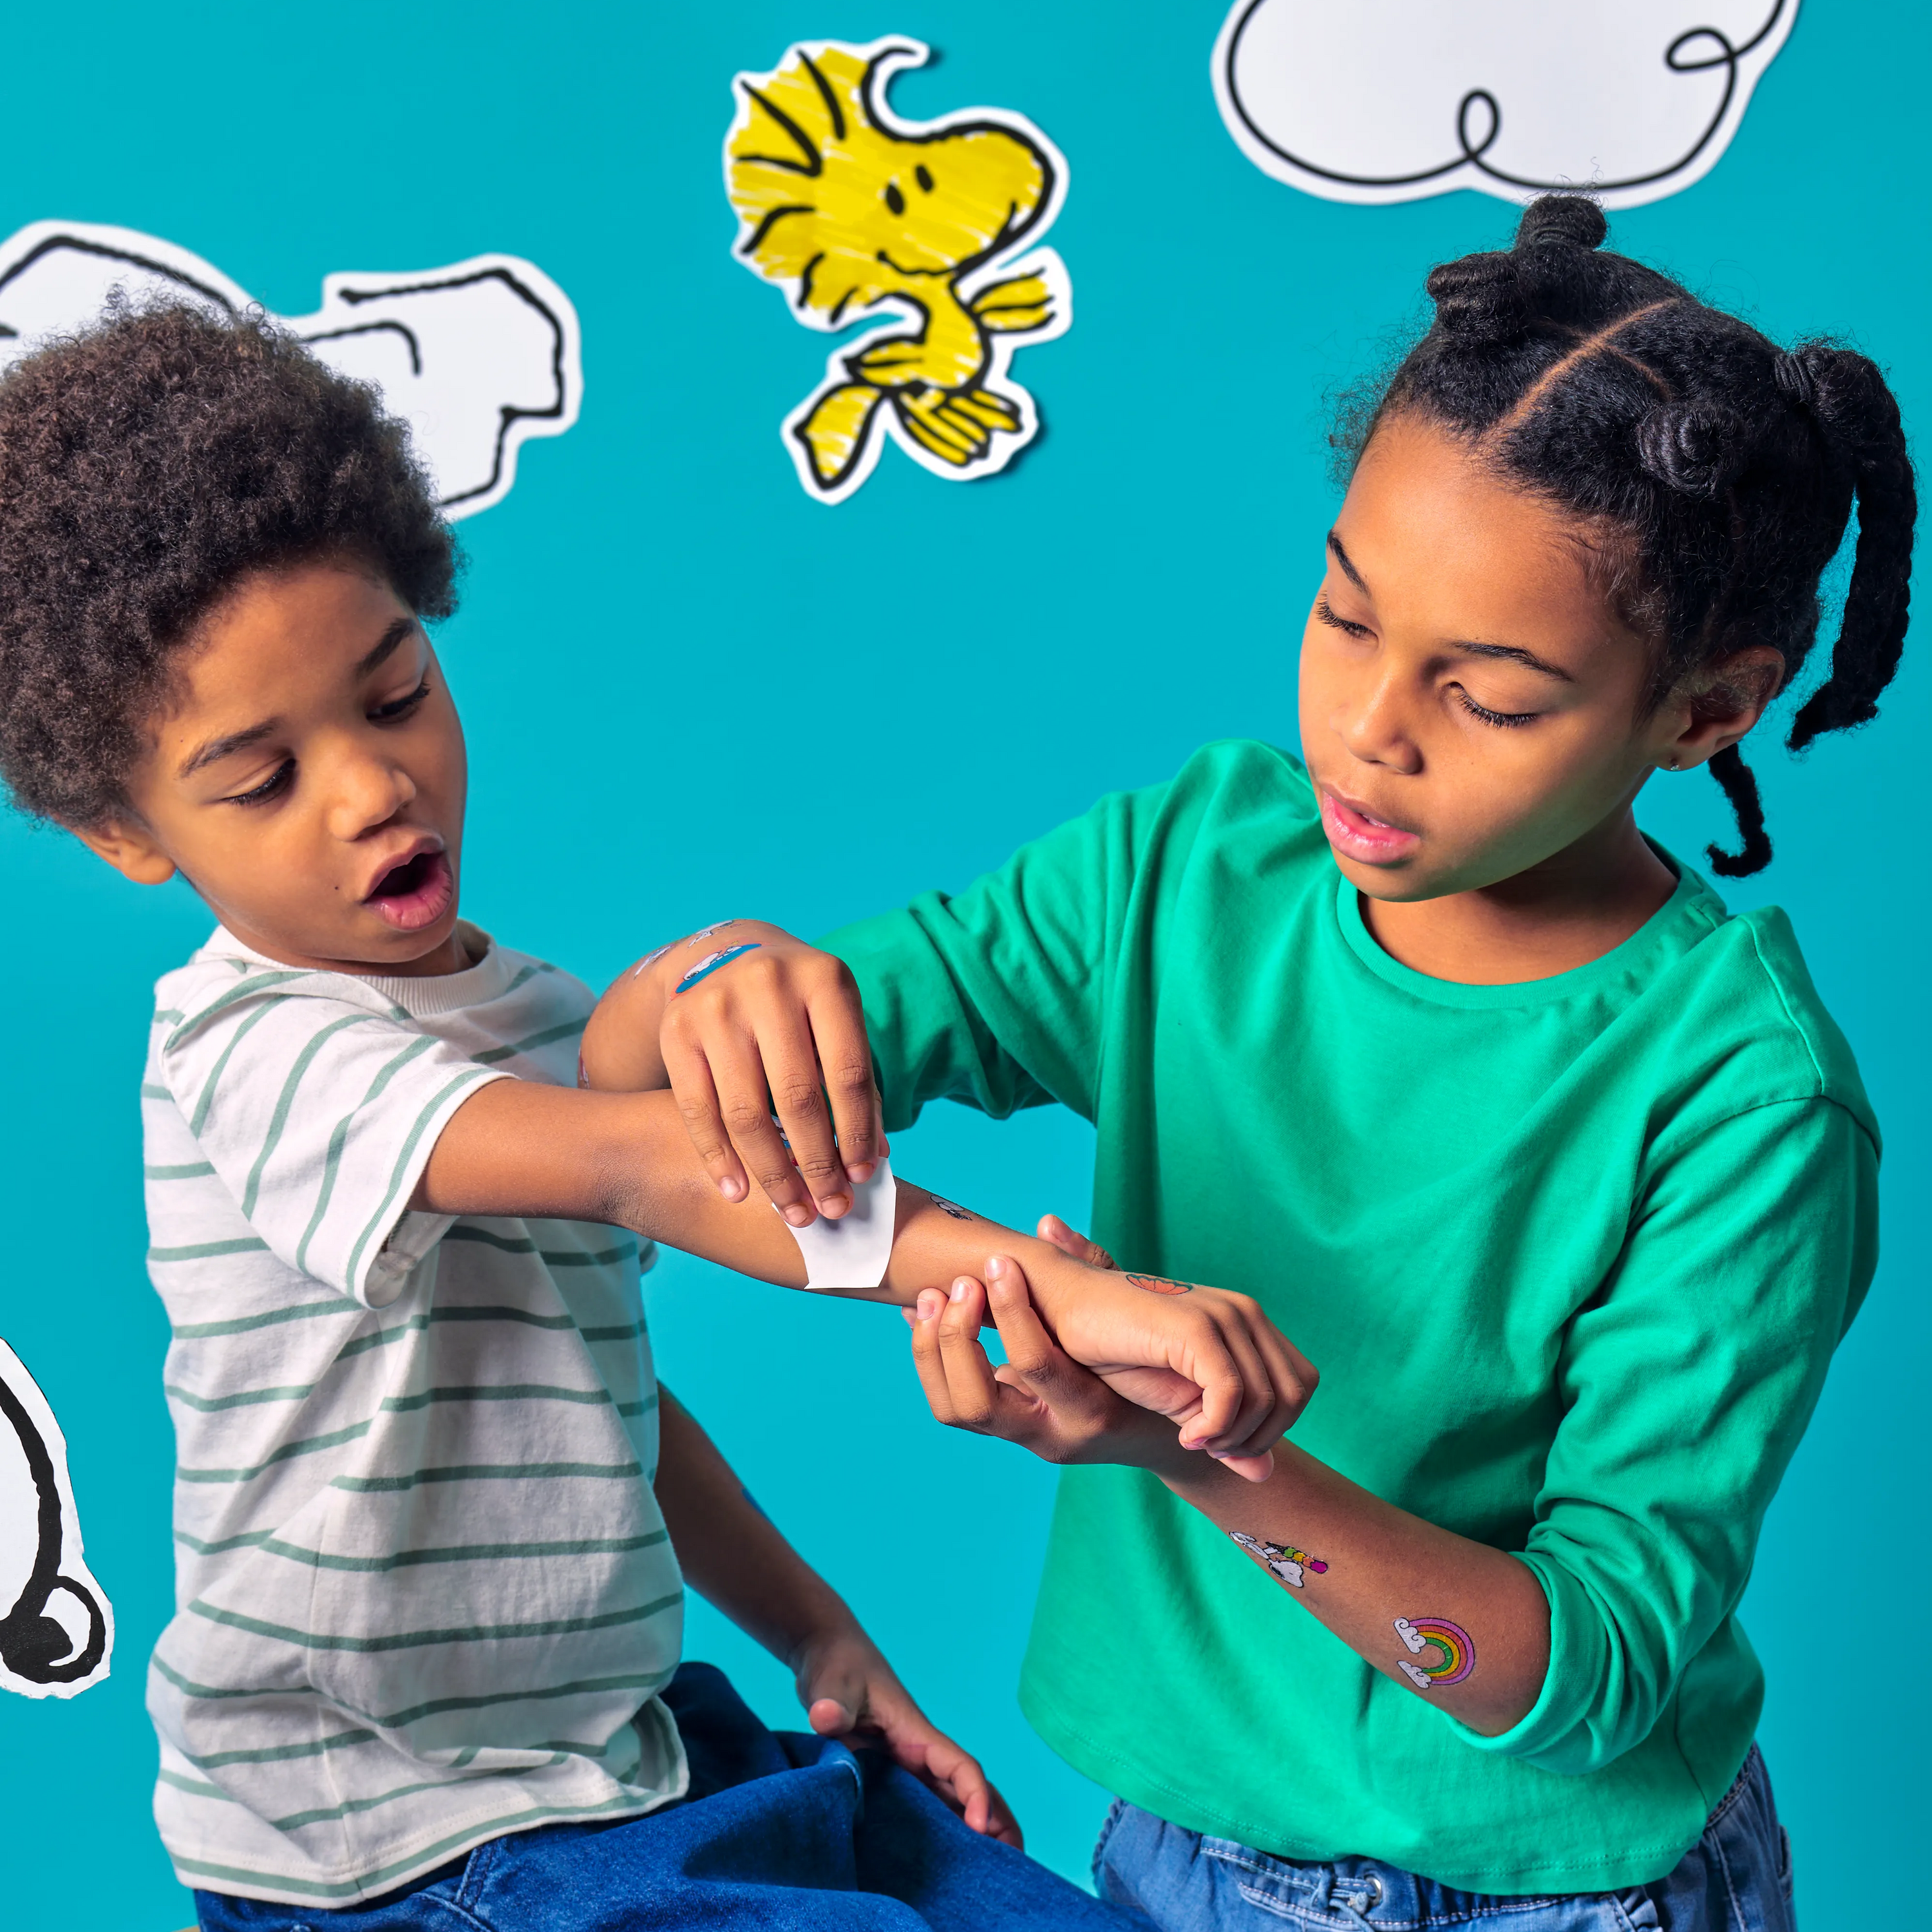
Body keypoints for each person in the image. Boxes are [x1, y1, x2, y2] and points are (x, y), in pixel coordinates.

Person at [609, 198, 1913, 1929]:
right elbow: (767, 1044)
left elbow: (1589, 1671)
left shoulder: (1746, 1101)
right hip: (1170, 1856)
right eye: (1346, 614)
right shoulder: (1191, 872)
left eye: (1495, 694)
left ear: (1704, 712)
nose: (1372, 726)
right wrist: (726, 981)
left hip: (1548, 1897)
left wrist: (1191, 1455)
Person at [0, 305, 1311, 1926]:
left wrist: (820, 1633)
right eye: (260, 780)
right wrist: (1078, 1292)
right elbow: (649, 1165)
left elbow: (603, 1404)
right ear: (130, 832)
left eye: (395, 692)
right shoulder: (258, 1057)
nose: (370, 789)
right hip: (400, 1846)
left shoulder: (519, 1013)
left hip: (627, 1754)